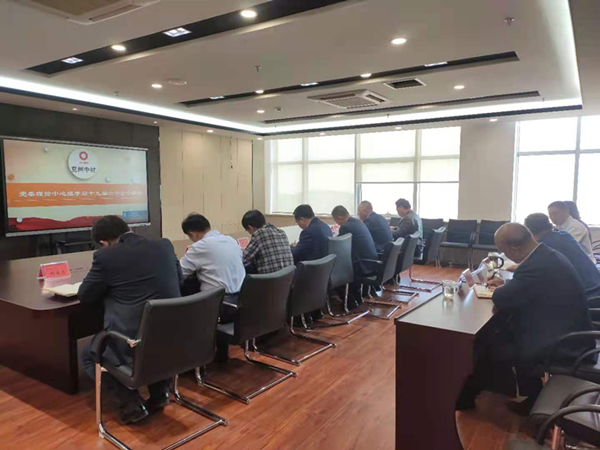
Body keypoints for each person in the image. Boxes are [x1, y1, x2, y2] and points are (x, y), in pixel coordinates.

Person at [458, 223, 593, 413]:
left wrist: (502, 289)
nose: (505, 256)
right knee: (499, 333)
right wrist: (507, 284)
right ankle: (531, 396)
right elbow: (531, 286)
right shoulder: (546, 255)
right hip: (568, 329)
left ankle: (469, 398)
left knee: (491, 344)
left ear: (514, 249)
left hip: (562, 341)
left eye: (504, 251)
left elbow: (503, 298)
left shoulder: (536, 266)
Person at [79, 216, 184, 425]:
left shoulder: (106, 256)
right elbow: (179, 279)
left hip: (134, 341)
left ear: (104, 242)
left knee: (89, 354)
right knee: (154, 334)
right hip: (173, 335)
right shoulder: (164, 245)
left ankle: (131, 405)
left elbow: (85, 295)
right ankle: (160, 393)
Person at [525, 213, 600, 301]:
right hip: (596, 287)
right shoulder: (565, 235)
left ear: (529, 232)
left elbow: (533, 273)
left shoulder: (544, 246)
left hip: (586, 296)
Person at [179, 212, 245, 305]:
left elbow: (180, 272)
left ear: (193, 234)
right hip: (241, 299)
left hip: (217, 302)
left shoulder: (200, 246)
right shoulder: (231, 240)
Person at [331, 205, 378, 308]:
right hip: (370, 262)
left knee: (334, 271)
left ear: (339, 217)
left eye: (336, 220)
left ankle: (350, 302)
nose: (337, 223)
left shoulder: (346, 227)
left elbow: (338, 246)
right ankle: (354, 299)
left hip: (362, 264)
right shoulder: (357, 222)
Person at [241, 209, 294, 274]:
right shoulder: (281, 232)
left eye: (247, 230)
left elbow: (244, 260)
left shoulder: (259, 233)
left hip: (270, 278)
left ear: (250, 227)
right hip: (288, 277)